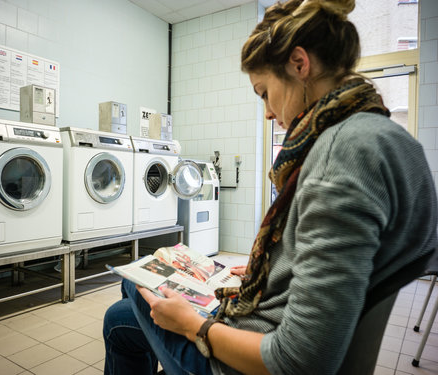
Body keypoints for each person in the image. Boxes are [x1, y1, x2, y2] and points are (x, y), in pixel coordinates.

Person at [103, 0, 438, 374]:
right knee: (120, 318)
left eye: (264, 92)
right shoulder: (390, 138)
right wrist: (274, 270)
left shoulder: (341, 155)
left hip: (250, 360)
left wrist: (193, 325)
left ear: (299, 64)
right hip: (281, 322)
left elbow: (300, 361)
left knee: (135, 286)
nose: (266, 111)